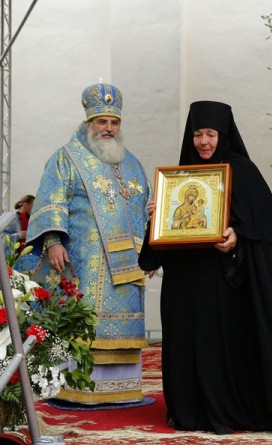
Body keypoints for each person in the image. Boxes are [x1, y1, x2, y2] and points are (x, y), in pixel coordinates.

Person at [138, 100, 272, 434]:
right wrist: (157, 219)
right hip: (187, 284)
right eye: (198, 134)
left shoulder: (242, 171)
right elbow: (162, 243)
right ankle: (193, 408)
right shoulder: (181, 177)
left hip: (227, 285)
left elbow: (261, 228)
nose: (203, 142)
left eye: (210, 134)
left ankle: (235, 406)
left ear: (223, 135)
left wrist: (237, 235)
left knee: (223, 346)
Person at [26, 82, 152, 404]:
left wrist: (152, 253)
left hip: (128, 266)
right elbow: (52, 201)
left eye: (114, 122)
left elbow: (145, 211)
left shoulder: (132, 163)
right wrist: (53, 241)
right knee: (83, 321)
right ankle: (76, 391)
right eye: (101, 121)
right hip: (84, 261)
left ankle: (122, 390)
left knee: (123, 325)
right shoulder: (66, 158)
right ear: (89, 123)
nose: (108, 128)